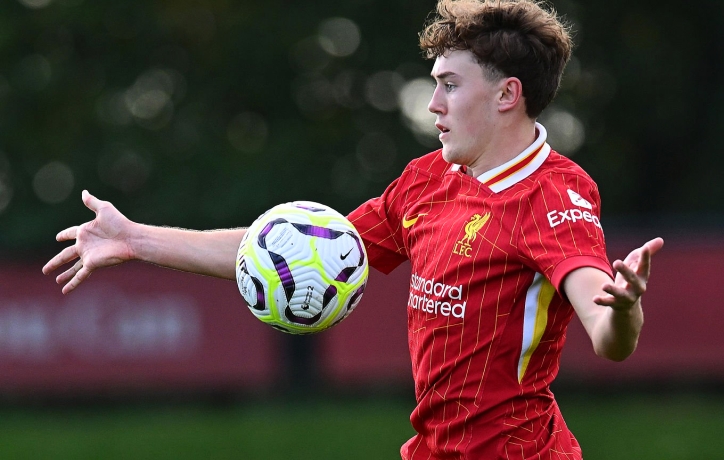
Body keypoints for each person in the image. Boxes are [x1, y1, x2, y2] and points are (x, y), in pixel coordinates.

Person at [43, 0, 664, 458]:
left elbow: (605, 328)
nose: (433, 104)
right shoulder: (427, 180)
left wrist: (625, 309)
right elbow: (289, 253)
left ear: (507, 95)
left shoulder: (554, 196)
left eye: (450, 86)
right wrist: (136, 239)